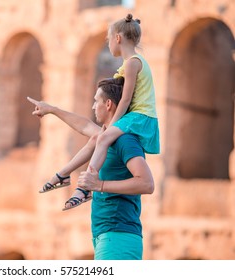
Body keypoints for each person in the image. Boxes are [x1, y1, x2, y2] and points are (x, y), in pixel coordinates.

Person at [36, 14, 160, 210]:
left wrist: (112, 126)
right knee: (97, 139)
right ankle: (62, 175)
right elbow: (85, 125)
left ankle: (85, 188)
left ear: (118, 38)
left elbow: (126, 99)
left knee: (102, 138)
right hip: (135, 116)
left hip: (139, 117)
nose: (108, 45)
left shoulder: (132, 63)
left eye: (108, 39)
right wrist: (51, 109)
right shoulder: (128, 64)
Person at [27, 77, 154, 260]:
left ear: (108, 104)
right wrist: (52, 110)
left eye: (96, 101)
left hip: (118, 237)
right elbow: (83, 125)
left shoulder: (125, 140)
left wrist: (99, 185)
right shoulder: (106, 137)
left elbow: (147, 183)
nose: (94, 106)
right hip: (107, 235)